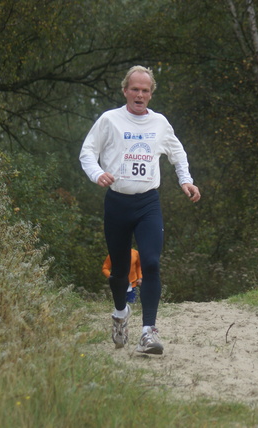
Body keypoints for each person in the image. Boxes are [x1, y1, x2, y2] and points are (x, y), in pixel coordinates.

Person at [79, 65, 201, 355]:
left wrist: (186, 180)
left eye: (145, 90)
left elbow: (177, 153)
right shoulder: (110, 119)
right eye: (135, 89)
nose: (140, 94)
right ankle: (121, 314)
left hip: (148, 203)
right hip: (118, 203)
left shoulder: (159, 123)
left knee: (151, 262)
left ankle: (148, 332)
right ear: (125, 91)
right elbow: (87, 152)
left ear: (151, 94)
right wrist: (97, 174)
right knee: (120, 271)